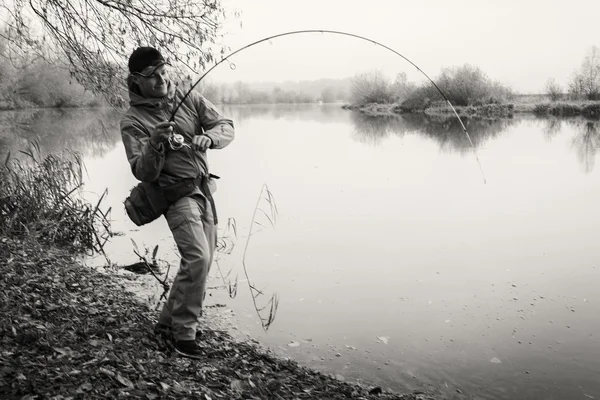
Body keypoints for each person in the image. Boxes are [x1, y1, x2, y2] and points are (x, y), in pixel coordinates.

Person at [120, 47, 235, 359]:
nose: (161, 79)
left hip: (204, 190)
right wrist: (156, 142)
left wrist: (209, 138)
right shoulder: (133, 120)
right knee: (197, 258)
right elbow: (143, 171)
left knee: (204, 260)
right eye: (152, 75)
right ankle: (184, 334)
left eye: (163, 71)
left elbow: (226, 125)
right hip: (175, 195)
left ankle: (167, 321)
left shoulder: (188, 99)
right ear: (136, 80)